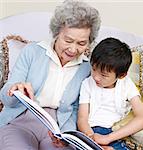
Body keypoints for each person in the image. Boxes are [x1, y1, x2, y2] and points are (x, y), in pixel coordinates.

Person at [0, 0, 101, 150]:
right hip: (22, 120)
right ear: (56, 33)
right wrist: (14, 90)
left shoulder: (86, 68)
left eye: (81, 43)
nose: (73, 50)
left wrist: (66, 135)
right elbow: (6, 98)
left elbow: (74, 109)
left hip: (57, 128)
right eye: (68, 40)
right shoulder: (32, 51)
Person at [78, 37, 143, 150]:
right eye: (94, 68)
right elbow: (82, 119)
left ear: (121, 75)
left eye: (104, 75)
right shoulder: (87, 84)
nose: (96, 77)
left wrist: (108, 138)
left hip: (116, 133)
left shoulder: (126, 85)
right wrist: (91, 139)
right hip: (91, 131)